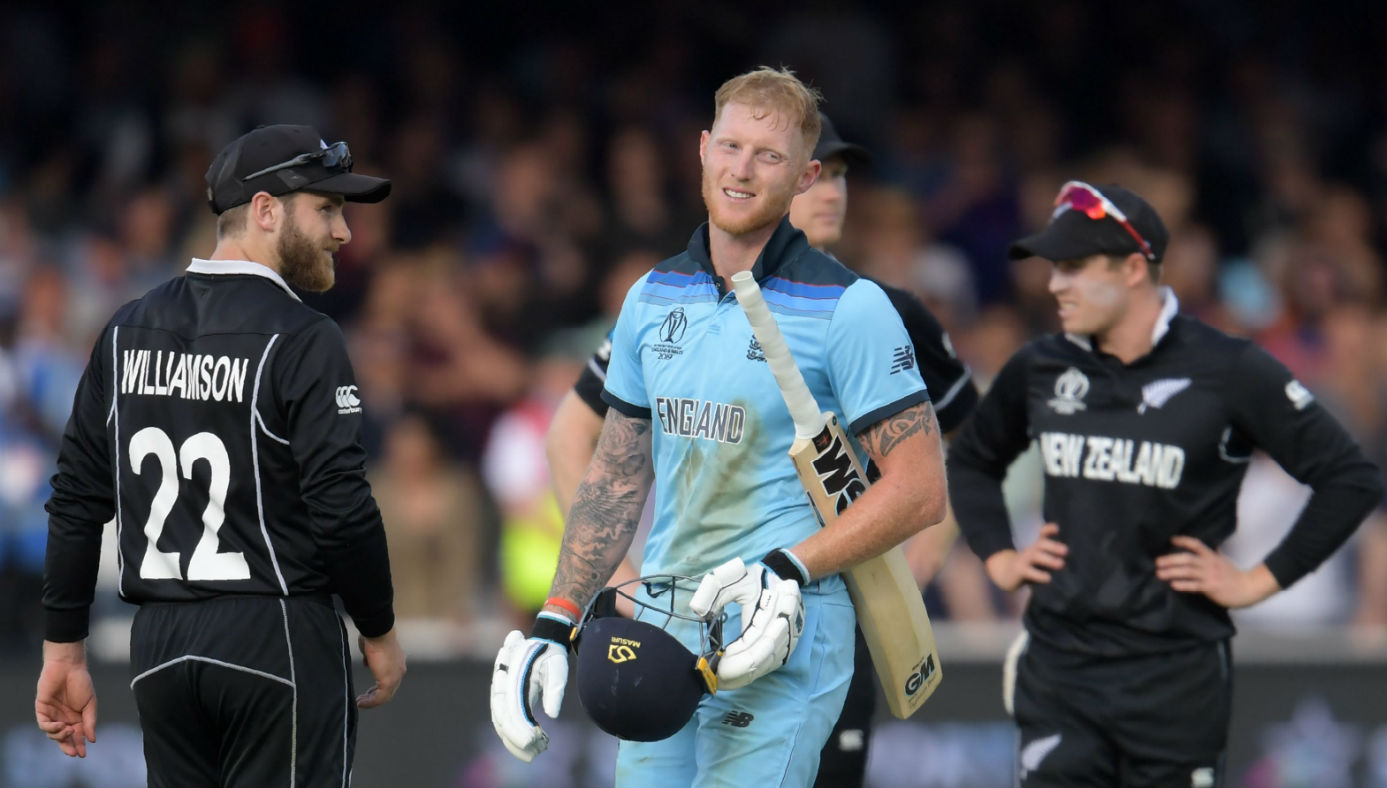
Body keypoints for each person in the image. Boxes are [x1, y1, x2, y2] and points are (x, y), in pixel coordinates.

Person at [492, 66, 948, 788]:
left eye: (768, 156)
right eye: (730, 146)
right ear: (703, 148)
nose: (742, 169)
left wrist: (788, 566)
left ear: (803, 176)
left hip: (787, 629)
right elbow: (614, 476)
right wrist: (558, 617)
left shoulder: (851, 308)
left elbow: (921, 490)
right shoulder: (650, 295)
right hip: (665, 625)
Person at [946, 180, 1382, 788]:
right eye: (1054, 268)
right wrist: (998, 556)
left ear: (1132, 268)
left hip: (1175, 677)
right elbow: (970, 461)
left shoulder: (1228, 369)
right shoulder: (1041, 366)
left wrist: (1260, 579)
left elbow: (1350, 478)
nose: (1054, 285)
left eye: (1074, 267)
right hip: (1061, 670)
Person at [37, 124, 407, 787]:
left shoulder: (125, 329)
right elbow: (343, 508)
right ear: (265, 210)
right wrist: (377, 628)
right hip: (277, 635)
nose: (343, 232)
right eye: (326, 208)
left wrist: (63, 647)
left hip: (159, 651)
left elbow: (74, 498)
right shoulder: (304, 337)